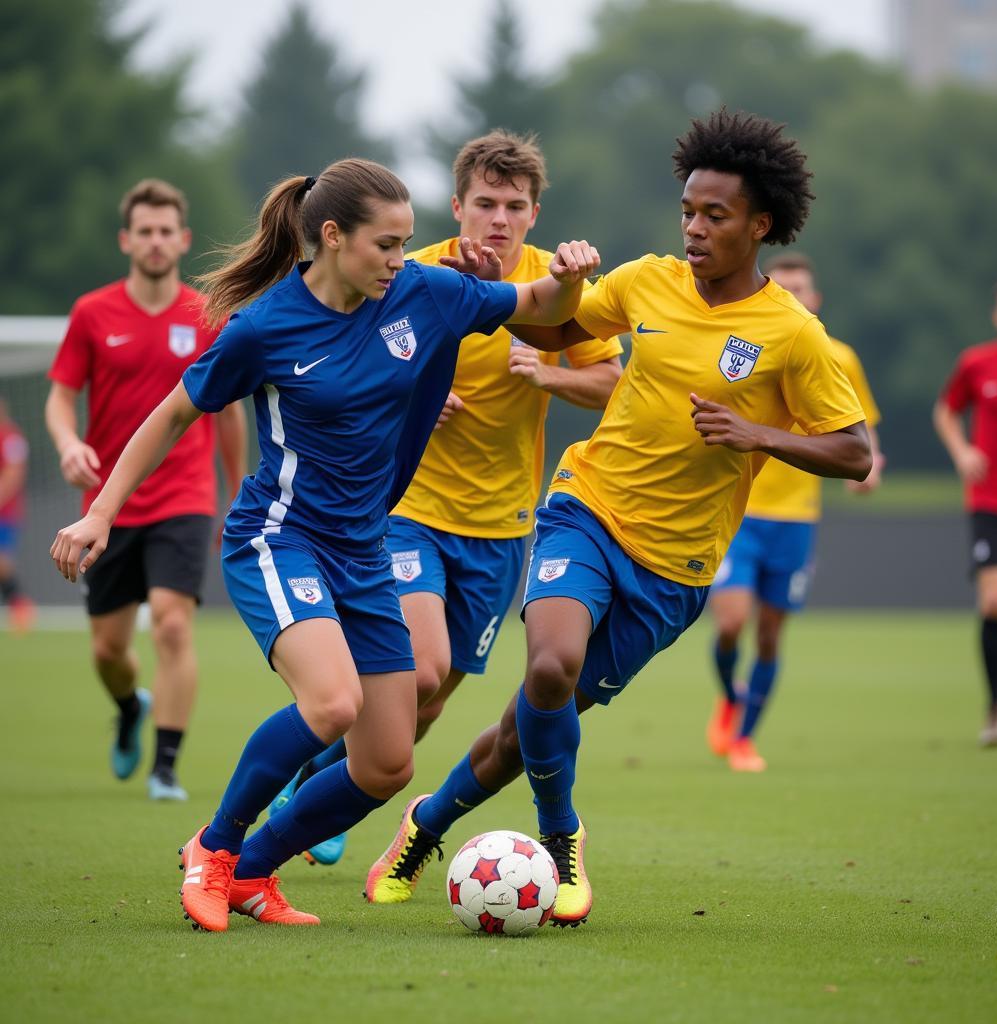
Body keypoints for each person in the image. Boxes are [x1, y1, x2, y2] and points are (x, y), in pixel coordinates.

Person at [50, 158, 601, 932]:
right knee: (332, 702)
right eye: (386, 244)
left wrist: (572, 274)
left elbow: (544, 304)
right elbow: (175, 413)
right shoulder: (266, 326)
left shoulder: (426, 293)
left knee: (386, 762)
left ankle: (253, 874)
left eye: (408, 243)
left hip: (364, 551)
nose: (400, 260)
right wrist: (101, 512)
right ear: (333, 237)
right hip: (280, 541)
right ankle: (213, 850)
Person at [362, 109, 872, 927]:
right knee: (550, 666)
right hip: (587, 510)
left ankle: (428, 823)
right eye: (688, 212)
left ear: (761, 224)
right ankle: (563, 841)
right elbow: (555, 325)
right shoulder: (645, 281)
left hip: (675, 569)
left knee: (520, 726)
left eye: (716, 216)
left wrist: (759, 436)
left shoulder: (793, 336)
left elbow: (855, 452)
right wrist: (540, 279)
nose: (695, 229)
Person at [269, 131, 623, 867]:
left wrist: (547, 375)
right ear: (457, 205)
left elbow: (613, 383)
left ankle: (323, 785)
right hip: (408, 515)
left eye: (514, 206)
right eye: (485, 203)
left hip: (502, 530)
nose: (499, 218)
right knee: (419, 668)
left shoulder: (553, 288)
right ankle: (302, 797)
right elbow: (338, 366)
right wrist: (415, 398)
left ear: (533, 213)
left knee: (425, 704)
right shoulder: (410, 272)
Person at [44, 179, 248, 801]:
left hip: (185, 497)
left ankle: (165, 767)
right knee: (108, 648)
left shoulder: (206, 315)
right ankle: (131, 706)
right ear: (126, 240)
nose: (156, 241)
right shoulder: (91, 313)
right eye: (145, 231)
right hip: (106, 506)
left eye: (167, 231)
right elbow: (60, 395)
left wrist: (236, 492)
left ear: (183, 240)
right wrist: (68, 444)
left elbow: (230, 411)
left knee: (171, 625)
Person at [706, 252, 884, 772]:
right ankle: (730, 699)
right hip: (742, 512)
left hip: (797, 519)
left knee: (768, 634)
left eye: (801, 289)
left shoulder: (839, 358)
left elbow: (861, 432)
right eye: (783, 288)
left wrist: (873, 468)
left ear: (816, 299)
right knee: (732, 623)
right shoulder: (742, 347)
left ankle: (743, 738)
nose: (793, 296)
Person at [934, 274, 997, 746]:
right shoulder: (977, 364)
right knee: (995, 599)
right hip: (992, 500)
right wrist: (963, 452)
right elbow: (946, 410)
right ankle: (994, 711)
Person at [0, 398, 35, 631]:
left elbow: (15, 473)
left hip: (6, 513)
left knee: (2, 562)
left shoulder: (11, 438)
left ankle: (20, 606)